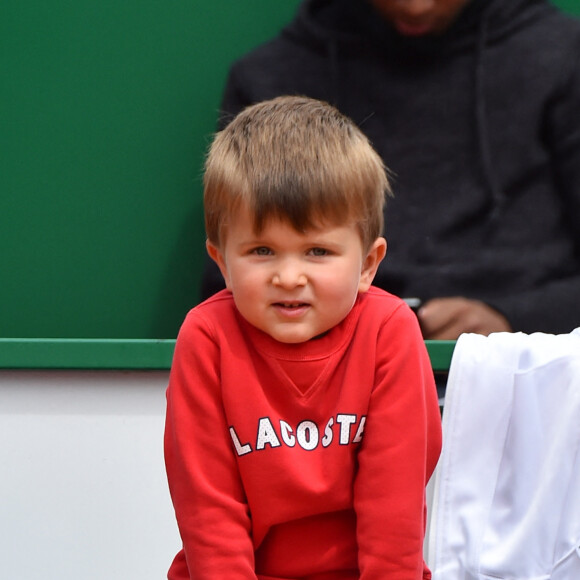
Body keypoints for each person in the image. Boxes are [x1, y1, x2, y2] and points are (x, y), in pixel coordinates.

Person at [165, 96, 442, 579]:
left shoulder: (390, 330)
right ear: (222, 262)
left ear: (369, 264)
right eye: (262, 250)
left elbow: (393, 508)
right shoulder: (206, 336)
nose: (289, 276)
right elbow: (208, 512)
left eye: (317, 250)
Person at [201, 0, 580, 339]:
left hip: (527, 369)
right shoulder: (270, 77)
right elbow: (229, 280)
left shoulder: (561, 55)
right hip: (327, 377)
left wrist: (513, 320)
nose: (415, 8)